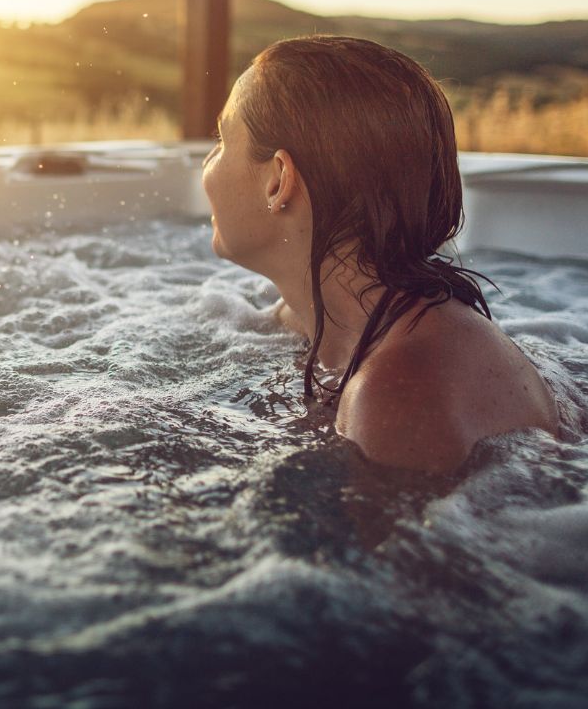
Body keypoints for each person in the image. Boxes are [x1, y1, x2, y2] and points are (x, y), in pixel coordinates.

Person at [201, 35, 558, 475]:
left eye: (221, 140)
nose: (206, 166)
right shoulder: (308, 319)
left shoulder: (399, 395)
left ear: (278, 180)